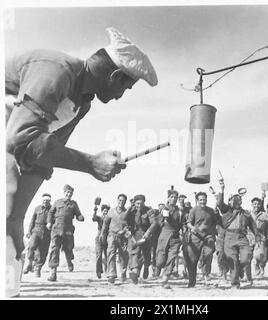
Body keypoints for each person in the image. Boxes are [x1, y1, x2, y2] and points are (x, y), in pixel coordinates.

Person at [5, 27, 157, 296]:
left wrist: (17, 218)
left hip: (9, 150)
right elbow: (22, 140)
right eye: (126, 87)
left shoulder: (81, 104)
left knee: (9, 237)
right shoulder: (55, 71)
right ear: (116, 76)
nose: (122, 96)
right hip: (7, 146)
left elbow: (40, 158)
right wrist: (90, 163)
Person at [217, 179, 259, 289]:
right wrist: (222, 189)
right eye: (234, 200)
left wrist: (257, 235)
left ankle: (240, 269)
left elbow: (253, 226)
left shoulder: (246, 213)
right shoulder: (226, 210)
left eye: (239, 200)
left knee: (247, 256)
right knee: (233, 260)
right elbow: (219, 203)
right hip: (229, 237)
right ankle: (235, 283)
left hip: (242, 237)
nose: (237, 202)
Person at [46, 184, 84, 281]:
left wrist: (80, 218)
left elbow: (78, 214)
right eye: (67, 192)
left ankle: (69, 261)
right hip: (56, 229)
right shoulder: (57, 202)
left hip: (68, 230)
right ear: (64, 192)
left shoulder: (74, 204)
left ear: (72, 194)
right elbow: (51, 212)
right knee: (54, 248)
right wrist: (49, 222)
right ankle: (53, 272)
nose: (69, 194)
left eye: (70, 193)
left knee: (68, 248)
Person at [184, 192, 220, 287]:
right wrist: (193, 228)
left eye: (204, 199)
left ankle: (206, 274)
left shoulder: (211, 211)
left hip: (207, 236)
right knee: (192, 260)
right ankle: (192, 282)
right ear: (197, 200)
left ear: (206, 200)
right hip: (195, 237)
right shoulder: (193, 210)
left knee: (208, 253)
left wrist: (211, 231)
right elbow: (188, 223)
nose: (202, 201)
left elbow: (215, 222)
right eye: (200, 200)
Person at [124, 195, 157, 284]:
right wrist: (129, 209)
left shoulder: (148, 210)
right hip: (134, 235)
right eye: (137, 203)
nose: (139, 206)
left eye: (141, 203)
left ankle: (146, 267)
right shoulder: (131, 210)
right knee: (134, 253)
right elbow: (124, 219)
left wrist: (148, 232)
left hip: (146, 235)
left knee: (146, 256)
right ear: (134, 203)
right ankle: (135, 272)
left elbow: (154, 223)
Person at [100, 194, 129, 284]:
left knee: (123, 256)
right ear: (117, 200)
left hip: (123, 237)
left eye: (123, 201)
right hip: (112, 235)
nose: (121, 202)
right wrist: (102, 234)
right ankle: (111, 275)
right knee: (111, 254)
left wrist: (124, 230)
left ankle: (123, 273)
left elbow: (130, 225)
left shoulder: (127, 212)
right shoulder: (111, 212)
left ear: (125, 202)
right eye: (120, 200)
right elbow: (105, 224)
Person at [156, 189, 182, 289]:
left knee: (172, 258)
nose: (174, 199)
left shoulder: (179, 211)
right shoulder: (164, 208)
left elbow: (182, 222)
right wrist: (164, 213)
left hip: (175, 237)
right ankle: (158, 267)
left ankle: (165, 279)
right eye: (172, 197)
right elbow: (160, 220)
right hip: (164, 235)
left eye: (176, 197)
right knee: (160, 260)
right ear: (168, 198)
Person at [23, 193, 52, 278]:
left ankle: (38, 268)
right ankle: (29, 263)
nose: (45, 202)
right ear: (42, 201)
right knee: (31, 246)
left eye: (47, 201)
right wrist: (29, 231)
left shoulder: (52, 210)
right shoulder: (37, 208)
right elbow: (32, 220)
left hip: (46, 233)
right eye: (44, 200)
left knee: (43, 252)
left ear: (49, 201)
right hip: (36, 230)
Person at [93, 203, 110, 279]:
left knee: (108, 255)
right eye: (104, 211)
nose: (105, 212)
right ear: (102, 211)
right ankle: (98, 271)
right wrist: (95, 208)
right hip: (99, 237)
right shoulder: (99, 218)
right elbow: (94, 218)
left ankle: (107, 271)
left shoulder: (110, 219)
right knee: (99, 255)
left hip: (107, 237)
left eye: (106, 211)